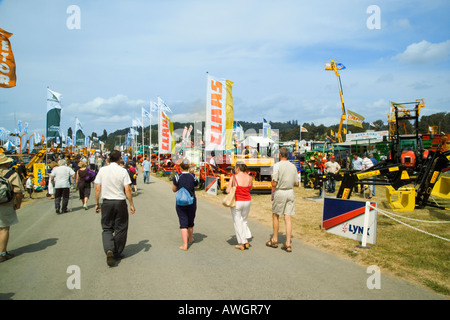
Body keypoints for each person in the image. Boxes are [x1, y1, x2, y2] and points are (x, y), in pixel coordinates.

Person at [94, 150, 135, 267]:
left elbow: (97, 188)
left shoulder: (102, 170)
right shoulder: (123, 171)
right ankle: (117, 252)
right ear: (119, 158)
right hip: (120, 202)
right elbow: (127, 189)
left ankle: (109, 250)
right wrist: (131, 204)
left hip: (106, 202)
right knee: (121, 227)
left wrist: (97, 203)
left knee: (107, 228)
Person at [266, 147, 299, 253]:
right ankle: (288, 243)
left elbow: (274, 183)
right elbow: (296, 183)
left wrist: (272, 179)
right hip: (290, 191)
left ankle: (275, 239)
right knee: (287, 217)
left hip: (280, 191)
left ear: (280, 155)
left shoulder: (277, 166)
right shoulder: (293, 166)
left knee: (275, 215)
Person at [0, 153, 24, 263]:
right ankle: (2, 252)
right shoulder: (11, 174)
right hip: (5, 204)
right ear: (6, 163)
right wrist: (18, 203)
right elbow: (18, 191)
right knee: (4, 228)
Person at [172, 158, 198, 251]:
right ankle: (190, 239)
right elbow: (196, 185)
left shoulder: (177, 177)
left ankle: (185, 245)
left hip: (180, 202)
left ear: (181, 167)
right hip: (191, 201)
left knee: (183, 222)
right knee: (190, 221)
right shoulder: (193, 176)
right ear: (189, 166)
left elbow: (174, 189)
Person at [226, 162, 253, 251]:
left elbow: (228, 190)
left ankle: (241, 243)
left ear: (237, 168)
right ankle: (245, 240)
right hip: (247, 201)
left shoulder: (234, 177)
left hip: (238, 201)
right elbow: (251, 188)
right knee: (244, 220)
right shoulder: (250, 178)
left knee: (237, 222)